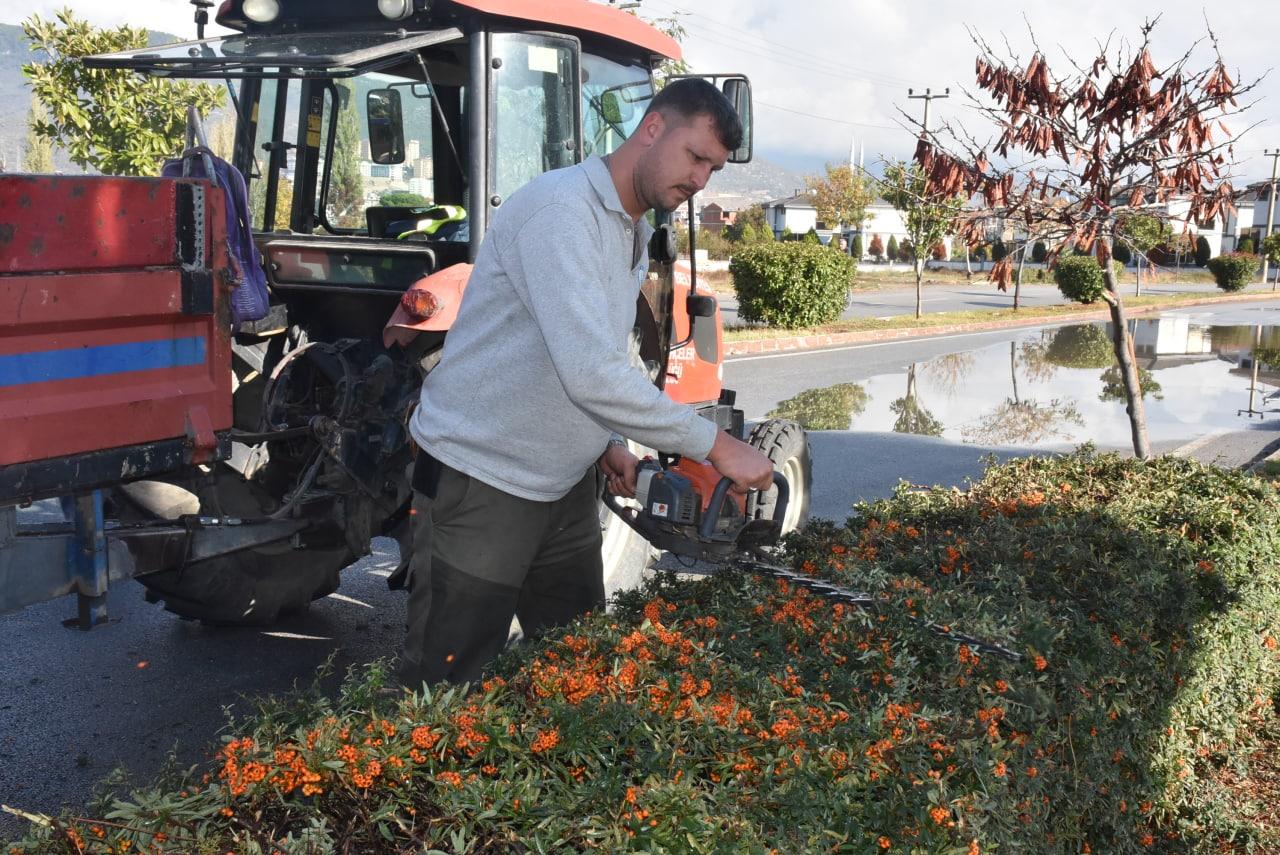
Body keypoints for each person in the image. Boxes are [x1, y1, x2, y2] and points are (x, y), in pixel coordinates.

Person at [397, 79, 775, 688]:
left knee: (575, 667)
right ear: (651, 129)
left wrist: (607, 442)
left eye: (714, 168)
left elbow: (603, 350)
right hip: (486, 481)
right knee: (448, 684)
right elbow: (590, 372)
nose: (701, 181)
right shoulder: (563, 212)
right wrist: (715, 443)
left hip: (563, 484)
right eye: (696, 157)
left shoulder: (626, 224)